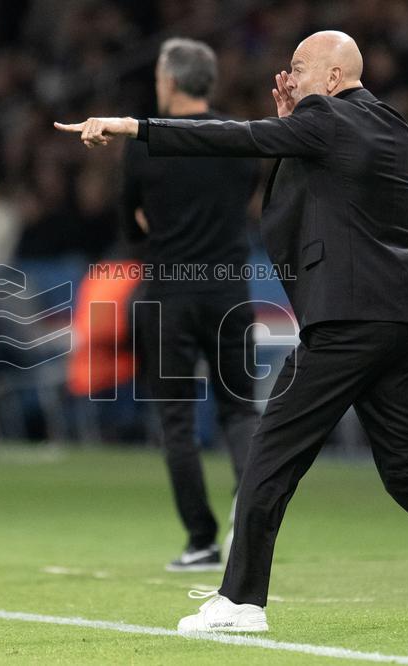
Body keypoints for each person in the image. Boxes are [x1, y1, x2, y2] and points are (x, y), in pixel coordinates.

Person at [55, 30, 408, 631]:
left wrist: (135, 127)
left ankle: (240, 601)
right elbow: (324, 193)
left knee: (270, 453)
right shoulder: (392, 124)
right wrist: (293, 128)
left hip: (344, 322)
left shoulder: (324, 117)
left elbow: (233, 137)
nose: (288, 78)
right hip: (401, 321)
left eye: (297, 67)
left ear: (332, 77)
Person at [120, 38, 260, 572]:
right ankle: (251, 528)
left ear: (171, 82)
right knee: (240, 412)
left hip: (170, 296)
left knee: (177, 423)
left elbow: (126, 223)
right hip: (229, 291)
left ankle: (201, 540)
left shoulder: (144, 143)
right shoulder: (240, 139)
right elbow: (246, 200)